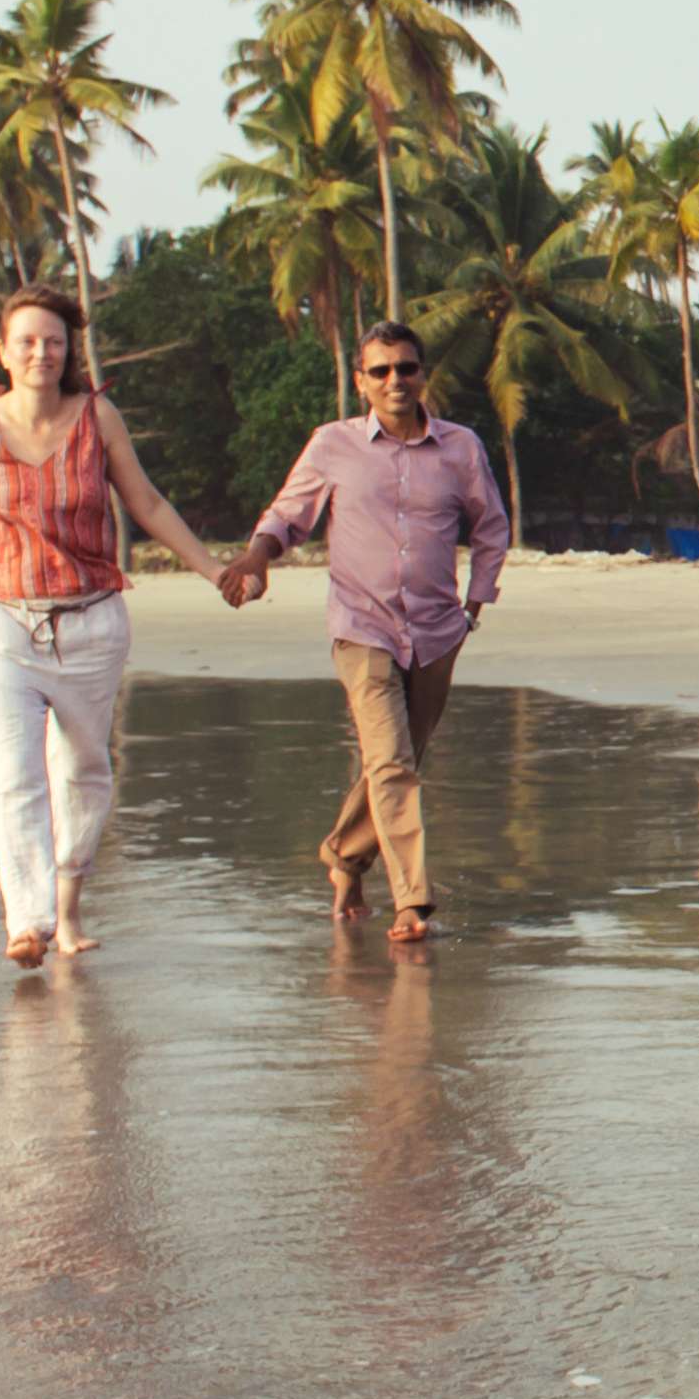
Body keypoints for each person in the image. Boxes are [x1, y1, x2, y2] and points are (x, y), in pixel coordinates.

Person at [0, 287, 244, 966]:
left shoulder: (97, 417)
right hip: (2, 627)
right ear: (3, 351)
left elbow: (148, 502)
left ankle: (68, 906)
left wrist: (213, 569)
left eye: (53, 341)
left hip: (90, 625)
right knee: (15, 773)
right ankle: (27, 920)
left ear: (67, 349)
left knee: (83, 769)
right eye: (27, 341)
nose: (41, 352)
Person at [218, 321, 511, 949]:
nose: (394, 381)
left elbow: (491, 528)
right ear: (361, 382)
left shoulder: (461, 448)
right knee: (391, 763)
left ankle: (345, 858)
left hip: (437, 631)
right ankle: (413, 901)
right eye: (380, 371)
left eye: (405, 368)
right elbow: (287, 515)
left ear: (423, 374)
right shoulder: (333, 444)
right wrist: (256, 557)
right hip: (362, 627)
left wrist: (474, 607)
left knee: (398, 762)